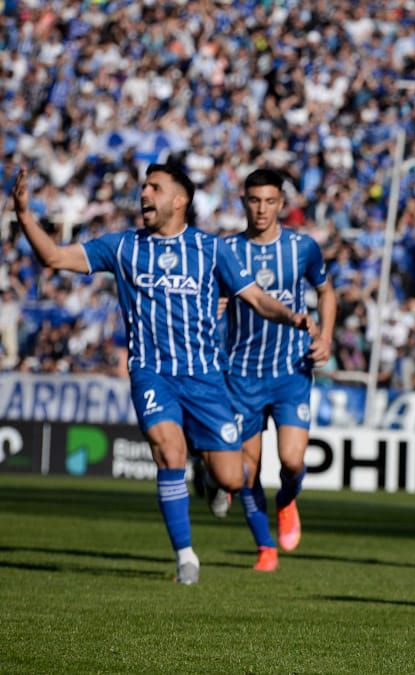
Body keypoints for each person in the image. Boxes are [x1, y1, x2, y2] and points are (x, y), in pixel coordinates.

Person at [10, 165, 313, 584]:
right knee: (168, 451)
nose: (144, 194)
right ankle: (186, 556)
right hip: (152, 374)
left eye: (155, 187)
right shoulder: (122, 247)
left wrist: (293, 317)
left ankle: (212, 478)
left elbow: (258, 300)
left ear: (179, 200)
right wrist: (24, 215)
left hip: (207, 379)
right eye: (143, 186)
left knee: (233, 476)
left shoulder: (211, 250)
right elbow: (54, 256)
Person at [222, 169, 336, 572]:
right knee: (246, 469)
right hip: (241, 373)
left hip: (291, 370)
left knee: (291, 460)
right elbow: (211, 299)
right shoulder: (226, 250)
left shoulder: (303, 248)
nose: (262, 209)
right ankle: (264, 546)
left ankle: (287, 501)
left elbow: (326, 291)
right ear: (243, 203)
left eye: (270, 201)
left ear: (282, 205)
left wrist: (326, 338)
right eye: (254, 201)